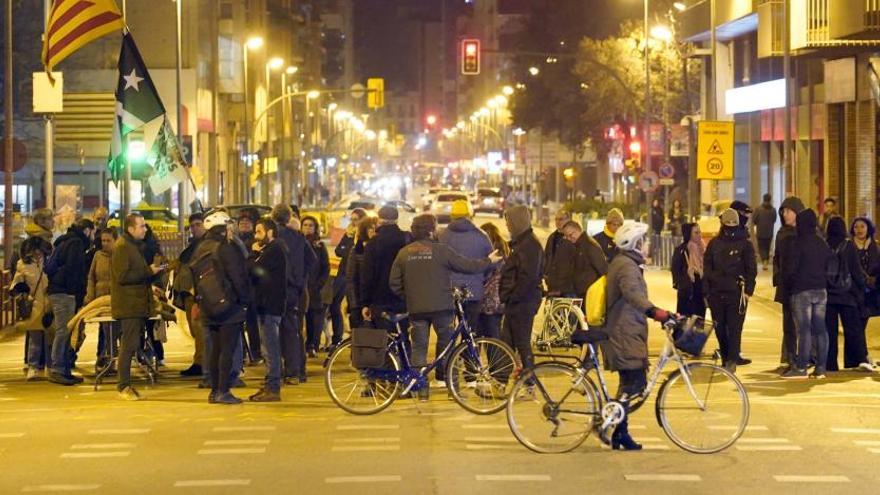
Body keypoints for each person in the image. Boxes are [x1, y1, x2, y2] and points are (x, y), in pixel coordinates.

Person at [389, 214, 499, 399]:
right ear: (431, 230)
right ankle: (453, 390)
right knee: (447, 349)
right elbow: (467, 266)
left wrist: (410, 296)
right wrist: (489, 260)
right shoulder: (442, 251)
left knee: (419, 349)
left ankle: (422, 392)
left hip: (417, 310)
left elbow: (394, 283)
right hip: (443, 308)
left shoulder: (404, 253)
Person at [601, 221, 674, 451]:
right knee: (634, 382)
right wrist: (656, 312)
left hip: (628, 328)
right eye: (643, 241)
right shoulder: (626, 266)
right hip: (624, 331)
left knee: (630, 383)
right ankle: (607, 424)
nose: (647, 245)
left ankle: (620, 433)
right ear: (635, 243)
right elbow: (632, 295)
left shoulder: (627, 263)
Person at [190, 210, 251, 403]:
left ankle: (214, 390)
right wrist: (244, 300)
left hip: (208, 305)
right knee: (227, 349)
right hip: (228, 306)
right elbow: (237, 276)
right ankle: (224, 390)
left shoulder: (200, 248)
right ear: (224, 228)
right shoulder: (226, 247)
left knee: (215, 349)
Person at [111, 214, 164, 400]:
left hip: (136, 303)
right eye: (141, 226)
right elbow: (122, 276)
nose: (145, 229)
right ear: (131, 229)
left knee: (132, 343)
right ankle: (123, 386)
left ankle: (124, 384)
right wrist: (148, 271)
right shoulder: (123, 247)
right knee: (128, 344)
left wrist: (151, 274)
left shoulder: (133, 246)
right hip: (128, 304)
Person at [703, 209, 757, 373]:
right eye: (728, 224)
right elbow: (707, 268)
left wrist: (748, 291)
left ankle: (732, 359)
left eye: (734, 224)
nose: (731, 227)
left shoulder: (745, 245)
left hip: (737, 292)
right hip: (716, 292)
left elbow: (751, 269)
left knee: (734, 327)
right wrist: (706, 292)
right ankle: (726, 358)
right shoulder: (714, 244)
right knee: (720, 328)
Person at [782, 209, 832, 379]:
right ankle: (821, 368)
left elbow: (790, 269)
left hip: (801, 290)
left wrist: (789, 285)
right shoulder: (821, 242)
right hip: (821, 290)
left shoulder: (798, 243)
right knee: (820, 329)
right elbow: (829, 265)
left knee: (803, 330)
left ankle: (801, 367)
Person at [47, 218, 95, 386]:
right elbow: (74, 270)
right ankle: (57, 369)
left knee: (66, 331)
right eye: (92, 232)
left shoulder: (66, 241)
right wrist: (76, 292)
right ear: (87, 230)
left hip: (60, 291)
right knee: (63, 331)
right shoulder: (75, 243)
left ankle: (64, 369)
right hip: (64, 292)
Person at [499, 205, 543, 386]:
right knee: (507, 342)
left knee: (521, 343)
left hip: (522, 303)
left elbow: (528, 278)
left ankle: (529, 382)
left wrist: (513, 297)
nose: (507, 225)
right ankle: (500, 381)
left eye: (509, 221)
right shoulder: (523, 243)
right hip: (517, 302)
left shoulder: (529, 246)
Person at [272, 204, 315, 385]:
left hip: (276, 290)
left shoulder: (274, 237)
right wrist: (301, 278)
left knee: (273, 332)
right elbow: (312, 260)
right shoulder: (298, 238)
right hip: (294, 290)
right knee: (293, 331)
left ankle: (278, 372)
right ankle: (296, 372)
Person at [247, 217, 288, 402]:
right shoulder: (269, 250)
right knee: (267, 348)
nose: (256, 236)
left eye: (259, 232)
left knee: (270, 349)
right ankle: (268, 385)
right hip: (266, 306)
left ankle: (273, 388)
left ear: (270, 233)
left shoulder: (274, 250)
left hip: (271, 307)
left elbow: (255, 270)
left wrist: (251, 255)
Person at [437, 199, 494, 331]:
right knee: (470, 331)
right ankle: (468, 351)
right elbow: (490, 264)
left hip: (448, 292)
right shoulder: (482, 236)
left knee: (447, 331)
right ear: (470, 216)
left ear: (452, 216)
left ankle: (451, 351)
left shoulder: (442, 236)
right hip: (474, 292)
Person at [825, 217, 871, 372]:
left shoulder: (824, 244)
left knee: (829, 332)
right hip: (847, 294)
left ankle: (830, 364)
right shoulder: (848, 245)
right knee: (853, 329)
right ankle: (858, 360)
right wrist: (862, 289)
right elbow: (856, 271)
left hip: (829, 295)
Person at [11, 236, 53, 380]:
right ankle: (33, 367)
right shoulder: (22, 265)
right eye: (34, 252)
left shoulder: (50, 261)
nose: (37, 255)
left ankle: (50, 367)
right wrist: (22, 293)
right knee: (35, 340)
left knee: (50, 339)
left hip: (49, 305)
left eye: (39, 252)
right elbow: (16, 285)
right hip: (34, 306)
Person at [361, 206, 411, 326]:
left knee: (382, 338)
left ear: (379, 221)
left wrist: (365, 303)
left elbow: (367, 275)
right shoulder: (407, 239)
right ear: (397, 220)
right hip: (403, 297)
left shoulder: (372, 243)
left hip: (380, 299)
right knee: (403, 335)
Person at [773, 196, 806, 371]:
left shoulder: (806, 232)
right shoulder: (782, 233)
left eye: (788, 211)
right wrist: (778, 277)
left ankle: (807, 356)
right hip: (786, 285)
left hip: (804, 285)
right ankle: (789, 357)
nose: (785, 214)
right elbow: (777, 257)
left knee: (805, 324)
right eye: (783, 211)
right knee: (789, 324)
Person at [176, 213, 207, 378]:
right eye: (192, 226)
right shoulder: (193, 245)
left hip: (198, 294)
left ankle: (201, 363)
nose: (194, 228)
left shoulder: (206, 245)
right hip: (188, 293)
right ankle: (199, 360)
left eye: (198, 225)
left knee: (200, 329)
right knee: (195, 331)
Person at [331, 208, 366, 346]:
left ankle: (357, 339)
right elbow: (339, 251)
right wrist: (348, 242)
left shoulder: (363, 236)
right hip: (342, 274)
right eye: (351, 219)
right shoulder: (349, 234)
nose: (352, 222)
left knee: (354, 308)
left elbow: (355, 253)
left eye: (355, 219)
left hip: (355, 277)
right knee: (335, 305)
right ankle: (337, 338)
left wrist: (349, 248)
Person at [86, 228, 118, 372]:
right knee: (105, 331)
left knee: (117, 331)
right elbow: (91, 277)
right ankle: (107, 359)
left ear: (115, 240)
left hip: (117, 300)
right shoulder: (98, 256)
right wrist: (90, 297)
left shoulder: (120, 255)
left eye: (108, 240)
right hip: (101, 299)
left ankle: (115, 359)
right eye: (103, 240)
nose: (105, 243)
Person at [851, 217, 880, 368]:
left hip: (870, 293)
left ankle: (862, 356)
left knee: (862, 325)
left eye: (862, 226)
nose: (859, 230)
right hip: (854, 291)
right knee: (857, 326)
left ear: (868, 228)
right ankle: (862, 356)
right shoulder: (849, 246)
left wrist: (872, 279)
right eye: (856, 227)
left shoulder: (874, 246)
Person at [302, 215, 330, 357]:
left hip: (313, 287)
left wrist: (319, 284)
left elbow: (326, 267)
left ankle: (312, 345)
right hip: (300, 287)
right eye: (305, 225)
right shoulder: (297, 242)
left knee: (314, 318)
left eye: (311, 225)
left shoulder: (319, 246)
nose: (308, 228)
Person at [237, 209, 262, 364]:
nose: (244, 224)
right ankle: (243, 352)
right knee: (239, 322)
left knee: (253, 322)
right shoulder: (233, 241)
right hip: (240, 286)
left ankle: (255, 352)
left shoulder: (256, 242)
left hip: (253, 287)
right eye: (242, 222)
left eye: (248, 222)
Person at [345, 216, 378, 330]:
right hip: (359, 300)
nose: (373, 232)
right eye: (370, 229)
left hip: (377, 300)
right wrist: (354, 305)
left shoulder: (381, 248)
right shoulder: (357, 250)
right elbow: (350, 279)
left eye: (376, 229)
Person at [560, 221, 608, 297]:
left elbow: (604, 271)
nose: (569, 238)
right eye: (566, 236)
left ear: (578, 230)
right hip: (582, 293)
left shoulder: (590, 246)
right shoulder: (578, 245)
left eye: (570, 235)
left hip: (590, 295)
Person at [479, 222, 509, 341]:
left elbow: (486, 277)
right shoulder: (504, 251)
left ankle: (476, 360)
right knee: (493, 338)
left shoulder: (491, 255)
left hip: (486, 302)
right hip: (499, 303)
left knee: (477, 338)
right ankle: (495, 359)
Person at [670, 223, 706, 318]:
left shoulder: (704, 249)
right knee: (684, 324)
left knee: (699, 325)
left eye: (700, 232)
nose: (699, 235)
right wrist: (683, 283)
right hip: (687, 293)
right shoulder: (681, 250)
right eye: (696, 233)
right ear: (688, 234)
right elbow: (675, 270)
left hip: (700, 294)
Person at [543, 208, 577, 296]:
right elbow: (547, 256)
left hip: (567, 289)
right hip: (552, 286)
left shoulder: (573, 237)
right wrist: (546, 274)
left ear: (568, 220)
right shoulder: (552, 237)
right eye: (556, 219)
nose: (558, 222)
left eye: (561, 219)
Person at [753, 194, 777, 271]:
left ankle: (764, 261)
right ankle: (766, 260)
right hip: (769, 231)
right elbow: (774, 219)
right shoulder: (773, 209)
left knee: (761, 247)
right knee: (767, 246)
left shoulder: (758, 209)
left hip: (760, 231)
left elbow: (754, 220)